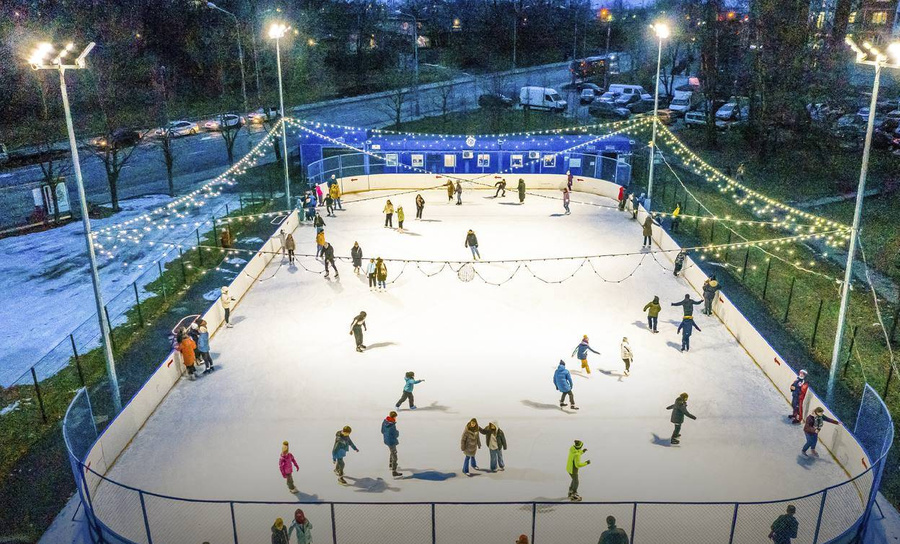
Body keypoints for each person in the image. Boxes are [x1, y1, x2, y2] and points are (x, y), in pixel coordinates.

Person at [381, 411, 402, 477]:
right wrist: (397, 432)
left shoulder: (384, 422)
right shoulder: (392, 425)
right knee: (394, 454)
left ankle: (391, 464)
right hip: (391, 441)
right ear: (394, 417)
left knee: (392, 451)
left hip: (386, 440)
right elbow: (395, 434)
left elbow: (382, 431)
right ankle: (394, 471)